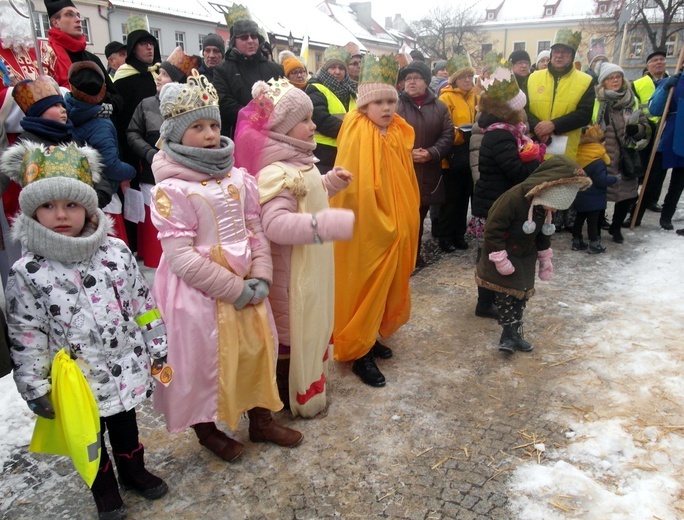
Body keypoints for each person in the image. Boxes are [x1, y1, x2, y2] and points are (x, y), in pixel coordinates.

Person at [1, 141, 169, 519]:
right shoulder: (27, 273)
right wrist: (34, 385)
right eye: (48, 206)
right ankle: (102, 485)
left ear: (88, 207)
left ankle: (132, 468)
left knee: (126, 423)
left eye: (71, 205)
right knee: (88, 436)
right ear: (31, 211)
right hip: (77, 379)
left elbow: (141, 304)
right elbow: (26, 334)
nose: (61, 215)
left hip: (123, 365)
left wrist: (156, 342)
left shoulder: (116, 252)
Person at [150, 71, 302, 460]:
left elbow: (255, 227)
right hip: (201, 291)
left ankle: (262, 419)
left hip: (249, 280)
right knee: (203, 358)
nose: (209, 133)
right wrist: (233, 289)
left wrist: (262, 274)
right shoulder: (172, 189)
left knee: (255, 348)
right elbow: (180, 255)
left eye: (213, 124)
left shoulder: (238, 176)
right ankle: (206, 429)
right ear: (174, 134)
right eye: (197, 127)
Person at [233, 78, 355, 416]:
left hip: (307, 263)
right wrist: (328, 225)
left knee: (304, 326)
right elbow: (276, 225)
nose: (313, 125)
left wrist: (329, 183)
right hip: (291, 274)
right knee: (290, 335)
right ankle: (288, 394)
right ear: (282, 127)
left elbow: (304, 198)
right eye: (304, 120)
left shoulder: (297, 161)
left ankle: (298, 385)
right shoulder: (275, 171)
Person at [329, 54, 420, 387]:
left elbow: (404, 181)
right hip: (366, 226)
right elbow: (358, 189)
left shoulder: (396, 132)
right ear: (364, 105)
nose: (386, 108)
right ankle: (357, 350)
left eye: (390, 101)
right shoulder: (357, 132)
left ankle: (370, 335)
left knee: (385, 282)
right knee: (363, 283)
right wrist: (382, 224)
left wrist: (403, 222)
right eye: (377, 102)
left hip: (395, 223)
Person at [476, 155, 591, 353]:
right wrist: (499, 258)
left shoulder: (542, 206)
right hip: (503, 253)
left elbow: (544, 232)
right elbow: (493, 229)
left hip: (525, 256)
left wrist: (545, 257)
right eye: (554, 204)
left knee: (521, 295)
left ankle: (515, 332)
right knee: (505, 295)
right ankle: (508, 334)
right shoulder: (513, 199)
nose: (553, 210)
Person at [472, 62, 542, 320]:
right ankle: (485, 303)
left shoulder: (509, 132)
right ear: (510, 111)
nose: (524, 111)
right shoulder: (500, 135)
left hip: (495, 200)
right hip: (494, 204)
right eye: (520, 106)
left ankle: (490, 299)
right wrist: (533, 159)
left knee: (492, 252)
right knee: (492, 254)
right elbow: (518, 173)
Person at [126, 47, 200, 268]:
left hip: (185, 175)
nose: (158, 77)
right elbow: (132, 132)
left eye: (165, 74)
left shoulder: (193, 105)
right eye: (159, 73)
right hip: (152, 175)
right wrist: (149, 153)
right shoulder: (146, 104)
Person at [10, 75, 112, 208]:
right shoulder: (26, 144)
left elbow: (100, 182)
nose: (63, 109)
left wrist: (94, 201)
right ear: (38, 112)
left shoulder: (72, 140)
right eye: (55, 105)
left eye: (63, 105)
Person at [65, 61, 135, 244]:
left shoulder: (66, 112)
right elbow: (110, 166)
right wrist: (132, 170)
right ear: (102, 90)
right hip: (104, 194)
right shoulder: (101, 123)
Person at [397, 60, 454, 268]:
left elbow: (448, 134)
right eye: (408, 78)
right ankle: (399, 258)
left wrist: (431, 153)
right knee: (400, 217)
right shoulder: (395, 104)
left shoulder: (439, 106)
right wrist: (405, 153)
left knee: (419, 217)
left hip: (428, 171)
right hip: (402, 170)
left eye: (417, 78)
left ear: (426, 81)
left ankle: (414, 254)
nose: (411, 82)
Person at [592, 63, 650, 243]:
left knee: (626, 195)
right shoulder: (597, 101)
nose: (615, 80)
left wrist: (637, 129)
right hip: (602, 155)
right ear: (603, 82)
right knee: (600, 194)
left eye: (617, 76)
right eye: (610, 78)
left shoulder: (632, 101)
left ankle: (616, 228)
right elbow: (589, 125)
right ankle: (599, 226)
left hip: (626, 156)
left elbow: (645, 126)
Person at [42, 0, 121, 115]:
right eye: (70, 14)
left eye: (78, 15)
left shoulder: (92, 59)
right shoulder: (47, 56)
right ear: (55, 23)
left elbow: (117, 99)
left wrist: (98, 106)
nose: (78, 19)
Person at [526, 29, 595, 161]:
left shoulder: (585, 81)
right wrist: (538, 128)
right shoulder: (533, 78)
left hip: (565, 153)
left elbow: (584, 115)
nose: (559, 55)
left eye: (565, 52)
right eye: (556, 51)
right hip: (534, 148)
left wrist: (554, 125)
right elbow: (524, 108)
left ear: (572, 55)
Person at [213, 16, 284, 138]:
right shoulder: (222, 70)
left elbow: (285, 98)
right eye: (244, 37)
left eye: (254, 36)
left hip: (273, 134)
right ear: (234, 41)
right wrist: (253, 115)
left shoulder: (276, 69)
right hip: (239, 134)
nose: (250, 40)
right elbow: (224, 102)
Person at [437, 55, 478, 252]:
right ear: (455, 80)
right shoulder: (446, 98)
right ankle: (445, 236)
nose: (467, 81)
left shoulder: (474, 96)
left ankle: (459, 235)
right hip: (452, 154)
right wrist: (459, 134)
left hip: (469, 153)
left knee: (463, 198)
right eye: (463, 78)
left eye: (470, 77)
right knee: (450, 200)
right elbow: (443, 127)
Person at [629, 49, 670, 221]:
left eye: (661, 60)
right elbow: (634, 107)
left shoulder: (672, 82)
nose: (658, 63)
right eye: (654, 60)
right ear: (648, 65)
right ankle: (634, 205)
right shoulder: (638, 84)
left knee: (658, 171)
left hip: (665, 129)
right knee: (641, 168)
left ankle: (651, 199)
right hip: (645, 130)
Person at [305, 46, 357, 174]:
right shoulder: (315, 88)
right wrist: (353, 130)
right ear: (324, 69)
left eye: (341, 68)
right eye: (332, 67)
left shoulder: (351, 91)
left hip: (347, 150)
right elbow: (320, 118)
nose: (337, 72)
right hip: (324, 153)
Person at [572, 124, 617, 253]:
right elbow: (601, 181)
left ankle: (576, 241)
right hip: (594, 198)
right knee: (592, 222)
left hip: (580, 195)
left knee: (579, 219)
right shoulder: (598, 161)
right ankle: (594, 244)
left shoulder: (578, 156)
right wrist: (615, 179)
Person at [650, 71, 684, 231]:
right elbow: (655, 109)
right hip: (669, 136)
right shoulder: (670, 81)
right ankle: (636, 214)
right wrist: (666, 88)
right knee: (653, 179)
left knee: (678, 184)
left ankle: (666, 216)